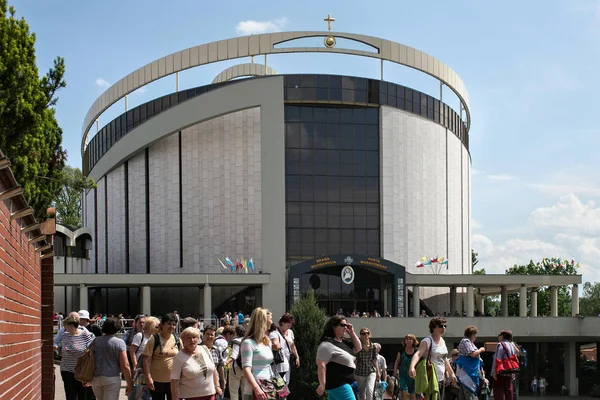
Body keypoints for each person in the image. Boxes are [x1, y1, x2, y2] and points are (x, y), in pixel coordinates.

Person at [316, 315, 362, 400]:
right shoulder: (327, 344)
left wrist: (351, 332)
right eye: (342, 325)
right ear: (334, 326)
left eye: (346, 325)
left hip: (342, 384)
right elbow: (321, 364)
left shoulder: (343, 343)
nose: (345, 327)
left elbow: (358, 348)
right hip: (339, 383)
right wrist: (322, 384)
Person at [408, 317, 456, 399]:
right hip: (430, 378)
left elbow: (444, 359)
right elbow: (418, 354)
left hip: (441, 379)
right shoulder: (427, 341)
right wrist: (412, 367)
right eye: (441, 326)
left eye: (445, 326)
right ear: (433, 327)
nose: (443, 328)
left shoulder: (442, 341)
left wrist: (451, 373)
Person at [170, 327, 222, 400]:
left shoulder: (204, 349)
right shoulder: (179, 357)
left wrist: (217, 386)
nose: (192, 340)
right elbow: (174, 381)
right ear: (183, 340)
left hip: (210, 395)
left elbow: (213, 369)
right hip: (189, 397)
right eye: (188, 338)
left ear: (198, 338)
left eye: (194, 337)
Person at [91, 317, 133, 399]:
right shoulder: (119, 343)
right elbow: (125, 365)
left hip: (96, 377)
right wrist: (129, 382)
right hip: (112, 377)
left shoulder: (95, 341)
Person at [143, 313, 182, 400]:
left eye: (174, 324)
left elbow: (182, 359)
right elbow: (146, 360)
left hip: (173, 380)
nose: (171, 326)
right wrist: (148, 378)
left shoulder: (178, 340)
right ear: (162, 325)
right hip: (156, 381)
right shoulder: (154, 339)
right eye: (168, 324)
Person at [241, 308, 275, 400]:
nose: (272, 322)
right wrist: (256, 389)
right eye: (270, 319)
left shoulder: (267, 341)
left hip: (269, 384)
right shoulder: (248, 343)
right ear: (263, 320)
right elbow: (246, 369)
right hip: (257, 388)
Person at [59, 316, 95, 400]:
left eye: (66, 326)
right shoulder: (65, 335)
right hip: (66, 369)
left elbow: (91, 348)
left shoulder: (84, 334)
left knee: (82, 395)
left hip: (81, 371)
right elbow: (62, 347)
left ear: (71, 326)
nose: (65, 328)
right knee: (70, 395)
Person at [455, 325, 485, 400]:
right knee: (469, 394)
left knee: (463, 394)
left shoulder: (470, 342)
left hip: (469, 372)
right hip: (467, 372)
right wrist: (481, 349)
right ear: (472, 334)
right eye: (475, 334)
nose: (475, 337)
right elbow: (473, 354)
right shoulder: (466, 341)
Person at [355, 327, 380, 400]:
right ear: (360, 336)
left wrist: (378, 371)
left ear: (369, 335)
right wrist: (352, 371)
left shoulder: (373, 346)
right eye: (363, 333)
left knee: (369, 390)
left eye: (367, 333)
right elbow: (356, 359)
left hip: (371, 371)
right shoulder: (358, 346)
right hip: (360, 372)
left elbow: (374, 359)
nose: (366, 335)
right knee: (362, 393)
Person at [203, 325, 226, 400]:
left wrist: (223, 382)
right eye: (207, 334)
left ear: (214, 336)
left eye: (211, 335)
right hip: (202, 387)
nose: (209, 336)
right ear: (203, 335)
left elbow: (220, 367)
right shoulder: (197, 349)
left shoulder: (217, 350)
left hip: (215, 386)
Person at [491, 330, 516, 400]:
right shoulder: (511, 345)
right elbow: (514, 358)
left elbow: (498, 358)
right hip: (509, 371)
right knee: (509, 391)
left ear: (502, 336)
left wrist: (494, 371)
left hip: (501, 372)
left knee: (498, 391)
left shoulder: (500, 344)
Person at [394, 334, 418, 400]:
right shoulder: (401, 350)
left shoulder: (416, 350)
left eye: (410, 339)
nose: (408, 340)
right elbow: (397, 361)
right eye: (406, 339)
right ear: (404, 341)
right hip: (403, 373)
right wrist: (395, 370)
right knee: (403, 391)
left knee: (412, 392)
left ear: (413, 341)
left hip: (413, 374)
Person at [227, 325, 246, 400]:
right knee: (245, 391)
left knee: (234, 392)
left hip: (235, 368)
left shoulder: (236, 341)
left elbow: (234, 354)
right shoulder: (247, 340)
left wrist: (227, 362)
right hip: (246, 368)